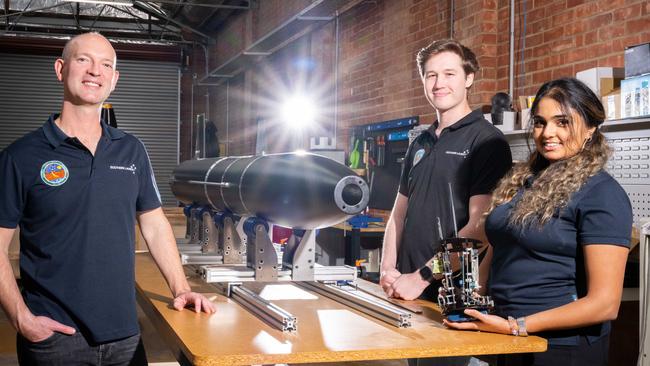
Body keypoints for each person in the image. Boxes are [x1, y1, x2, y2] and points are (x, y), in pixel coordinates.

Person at [0, 32, 215, 366]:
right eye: (83, 60)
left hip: (125, 337)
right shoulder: (21, 156)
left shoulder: (132, 150)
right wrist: (21, 318)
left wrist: (181, 288)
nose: (94, 71)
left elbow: (154, 224)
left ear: (114, 80)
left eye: (105, 65)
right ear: (60, 69)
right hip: (54, 340)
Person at [444, 78, 632, 366]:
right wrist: (471, 296)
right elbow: (504, 242)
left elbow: (604, 304)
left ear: (591, 130)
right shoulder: (524, 181)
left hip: (560, 348)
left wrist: (518, 325)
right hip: (508, 334)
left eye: (563, 122)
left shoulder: (602, 194)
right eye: (541, 122)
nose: (548, 133)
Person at [379, 39, 512, 302]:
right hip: (405, 289)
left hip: (452, 295)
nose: (439, 84)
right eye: (431, 75)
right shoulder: (420, 142)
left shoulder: (487, 141)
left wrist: (422, 277)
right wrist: (387, 269)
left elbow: (480, 228)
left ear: (469, 78)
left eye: (449, 74)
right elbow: (398, 215)